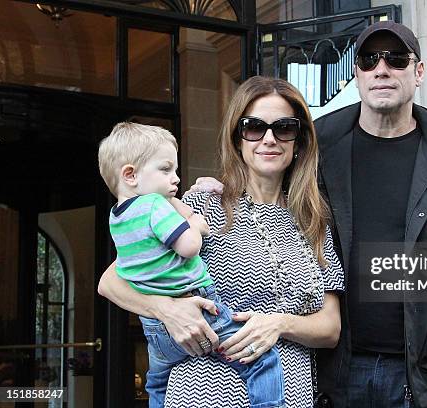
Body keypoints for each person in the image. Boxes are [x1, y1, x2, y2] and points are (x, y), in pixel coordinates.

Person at [190, 21, 427, 408]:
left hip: (420, 375)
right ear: (356, 74)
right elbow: (262, 177)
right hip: (332, 374)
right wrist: (213, 191)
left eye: (396, 59)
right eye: (369, 60)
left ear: (418, 72)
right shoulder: (320, 150)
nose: (382, 69)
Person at [97, 76, 344, 408]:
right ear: (237, 137)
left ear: (299, 140)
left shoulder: (313, 220)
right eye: (254, 127)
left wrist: (278, 324)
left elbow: (330, 328)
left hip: (292, 395)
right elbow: (112, 280)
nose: (269, 139)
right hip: (206, 392)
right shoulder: (202, 204)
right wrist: (168, 311)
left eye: (284, 127)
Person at [97, 122, 286, 408]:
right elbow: (190, 246)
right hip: (199, 311)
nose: (175, 178)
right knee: (262, 361)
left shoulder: (118, 217)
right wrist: (195, 223)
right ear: (131, 174)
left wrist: (188, 198)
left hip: (155, 331)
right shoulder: (153, 206)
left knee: (157, 381)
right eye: (165, 169)